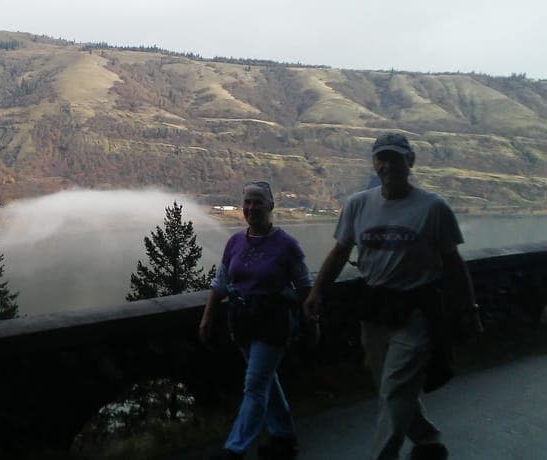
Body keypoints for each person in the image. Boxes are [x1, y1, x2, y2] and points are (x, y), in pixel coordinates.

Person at [302, 133, 483, 460]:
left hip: (416, 310)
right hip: (375, 310)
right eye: (381, 159)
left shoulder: (433, 208)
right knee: (387, 385)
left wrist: (468, 308)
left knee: (395, 387)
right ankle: (426, 438)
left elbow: (453, 264)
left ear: (410, 161)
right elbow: (340, 252)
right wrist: (316, 292)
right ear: (374, 163)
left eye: (395, 159)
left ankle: (382, 454)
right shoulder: (358, 204)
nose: (387, 166)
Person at [200, 181, 313, 460]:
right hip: (242, 322)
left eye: (257, 202)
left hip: (273, 323)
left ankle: (234, 449)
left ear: (271, 205)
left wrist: (313, 320)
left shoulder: (287, 244)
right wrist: (207, 316)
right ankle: (284, 438)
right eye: (247, 202)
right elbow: (221, 282)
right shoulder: (235, 242)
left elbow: (304, 286)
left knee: (254, 386)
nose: (251, 208)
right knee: (265, 381)